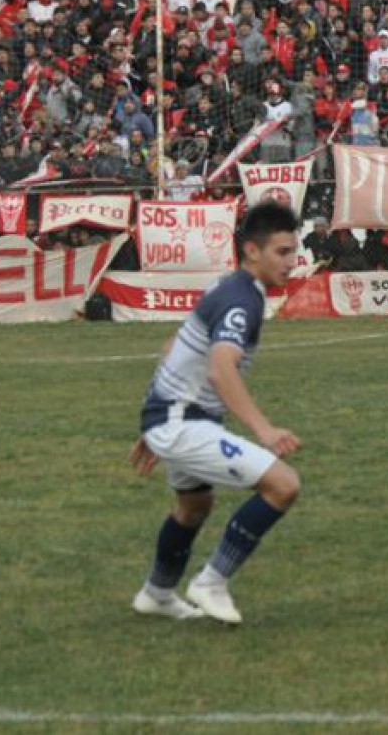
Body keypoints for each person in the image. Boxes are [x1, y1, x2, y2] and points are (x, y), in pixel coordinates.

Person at [129, 201, 303, 626]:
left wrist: (155, 418)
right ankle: (211, 583)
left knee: (194, 506)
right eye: (282, 252)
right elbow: (220, 368)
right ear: (252, 251)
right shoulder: (242, 299)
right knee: (283, 485)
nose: (291, 262)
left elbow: (174, 346)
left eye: (293, 252)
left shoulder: (228, 287)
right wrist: (263, 429)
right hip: (181, 421)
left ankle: (157, 593)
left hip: (173, 417)